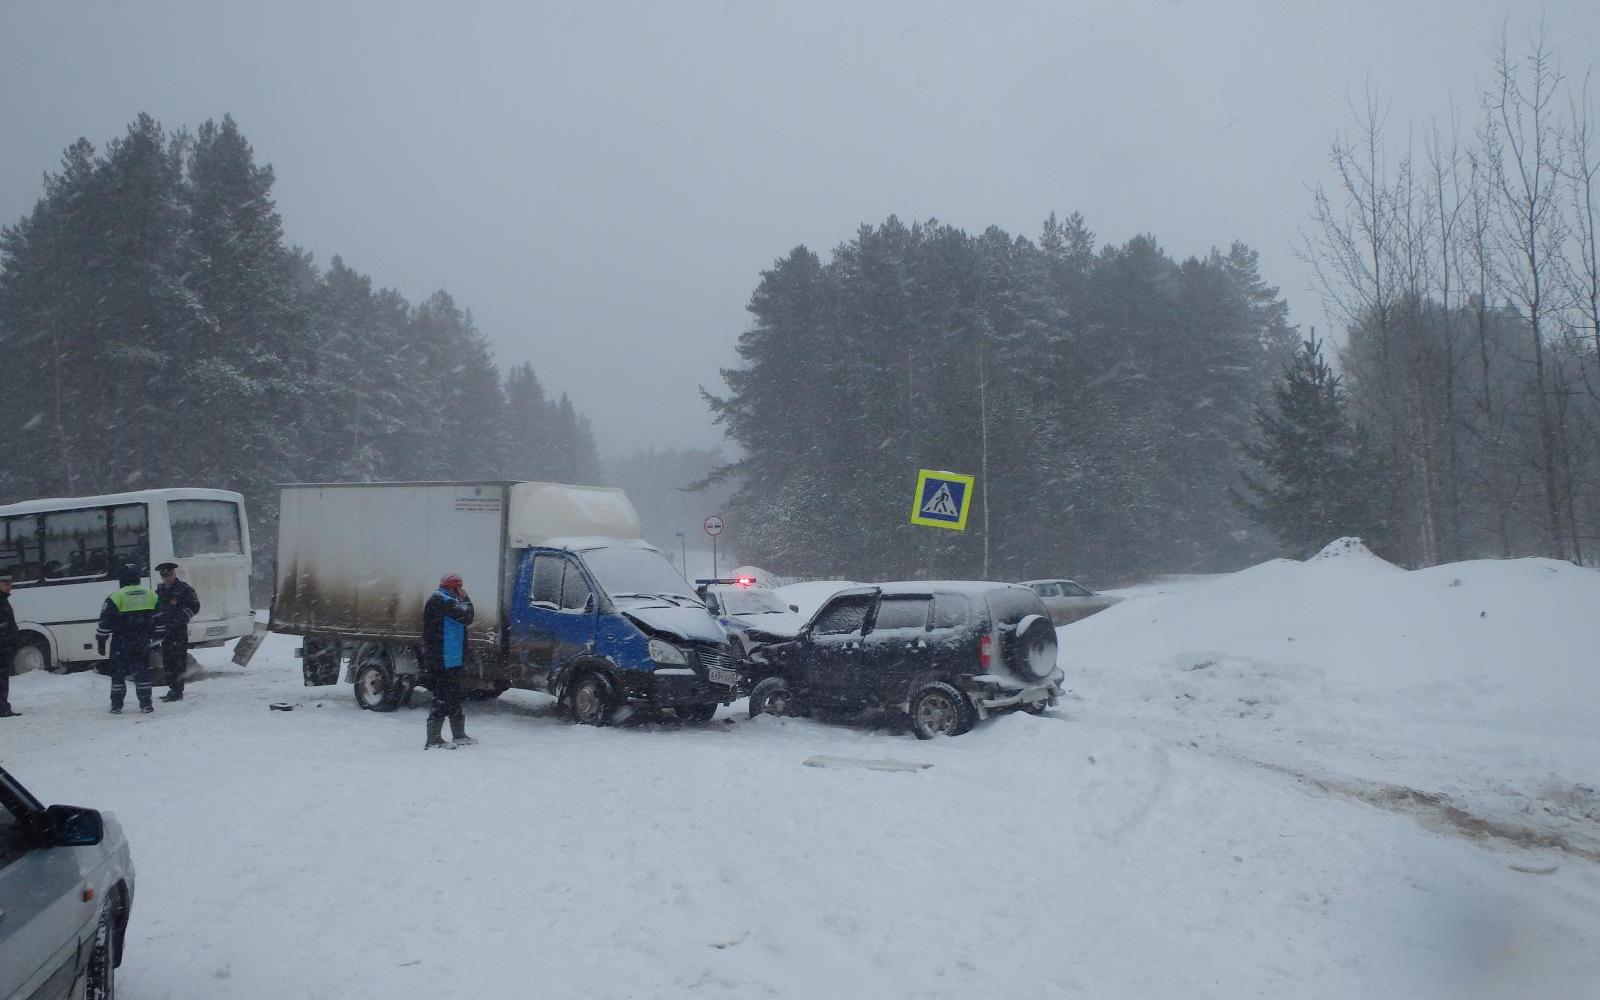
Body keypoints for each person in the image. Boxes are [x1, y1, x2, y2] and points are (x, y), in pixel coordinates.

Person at [96, 565, 162, 714]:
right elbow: (159, 619)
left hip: (121, 642)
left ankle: (117, 705)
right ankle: (146, 704)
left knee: (118, 675)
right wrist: (157, 637)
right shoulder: (151, 595)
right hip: (142, 641)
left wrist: (101, 641)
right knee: (143, 673)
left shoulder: (115, 597)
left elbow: (105, 621)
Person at [422, 572, 475, 749]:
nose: (461, 589)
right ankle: (434, 739)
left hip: (451, 657)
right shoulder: (442, 601)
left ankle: (458, 734)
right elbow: (467, 617)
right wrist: (466, 598)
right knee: (442, 697)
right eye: (459, 586)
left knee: (453, 696)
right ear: (453, 587)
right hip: (443, 658)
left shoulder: (445, 600)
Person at [154, 562, 200, 701]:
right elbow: (155, 609)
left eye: (168, 574)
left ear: (174, 574)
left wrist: (180, 619)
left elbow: (195, 606)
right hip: (164, 633)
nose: (166, 578)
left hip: (178, 632)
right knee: (167, 662)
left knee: (178, 661)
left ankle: (177, 690)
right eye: (163, 575)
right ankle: (172, 688)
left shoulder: (183, 589)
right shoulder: (159, 591)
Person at [0, 574, 18, 717]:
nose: (9, 585)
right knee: (2, 679)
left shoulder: (3, 600)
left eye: (9, 582)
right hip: (2, 647)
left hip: (5, 645)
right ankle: (3, 708)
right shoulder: (1, 601)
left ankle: (4, 707)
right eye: (5, 583)